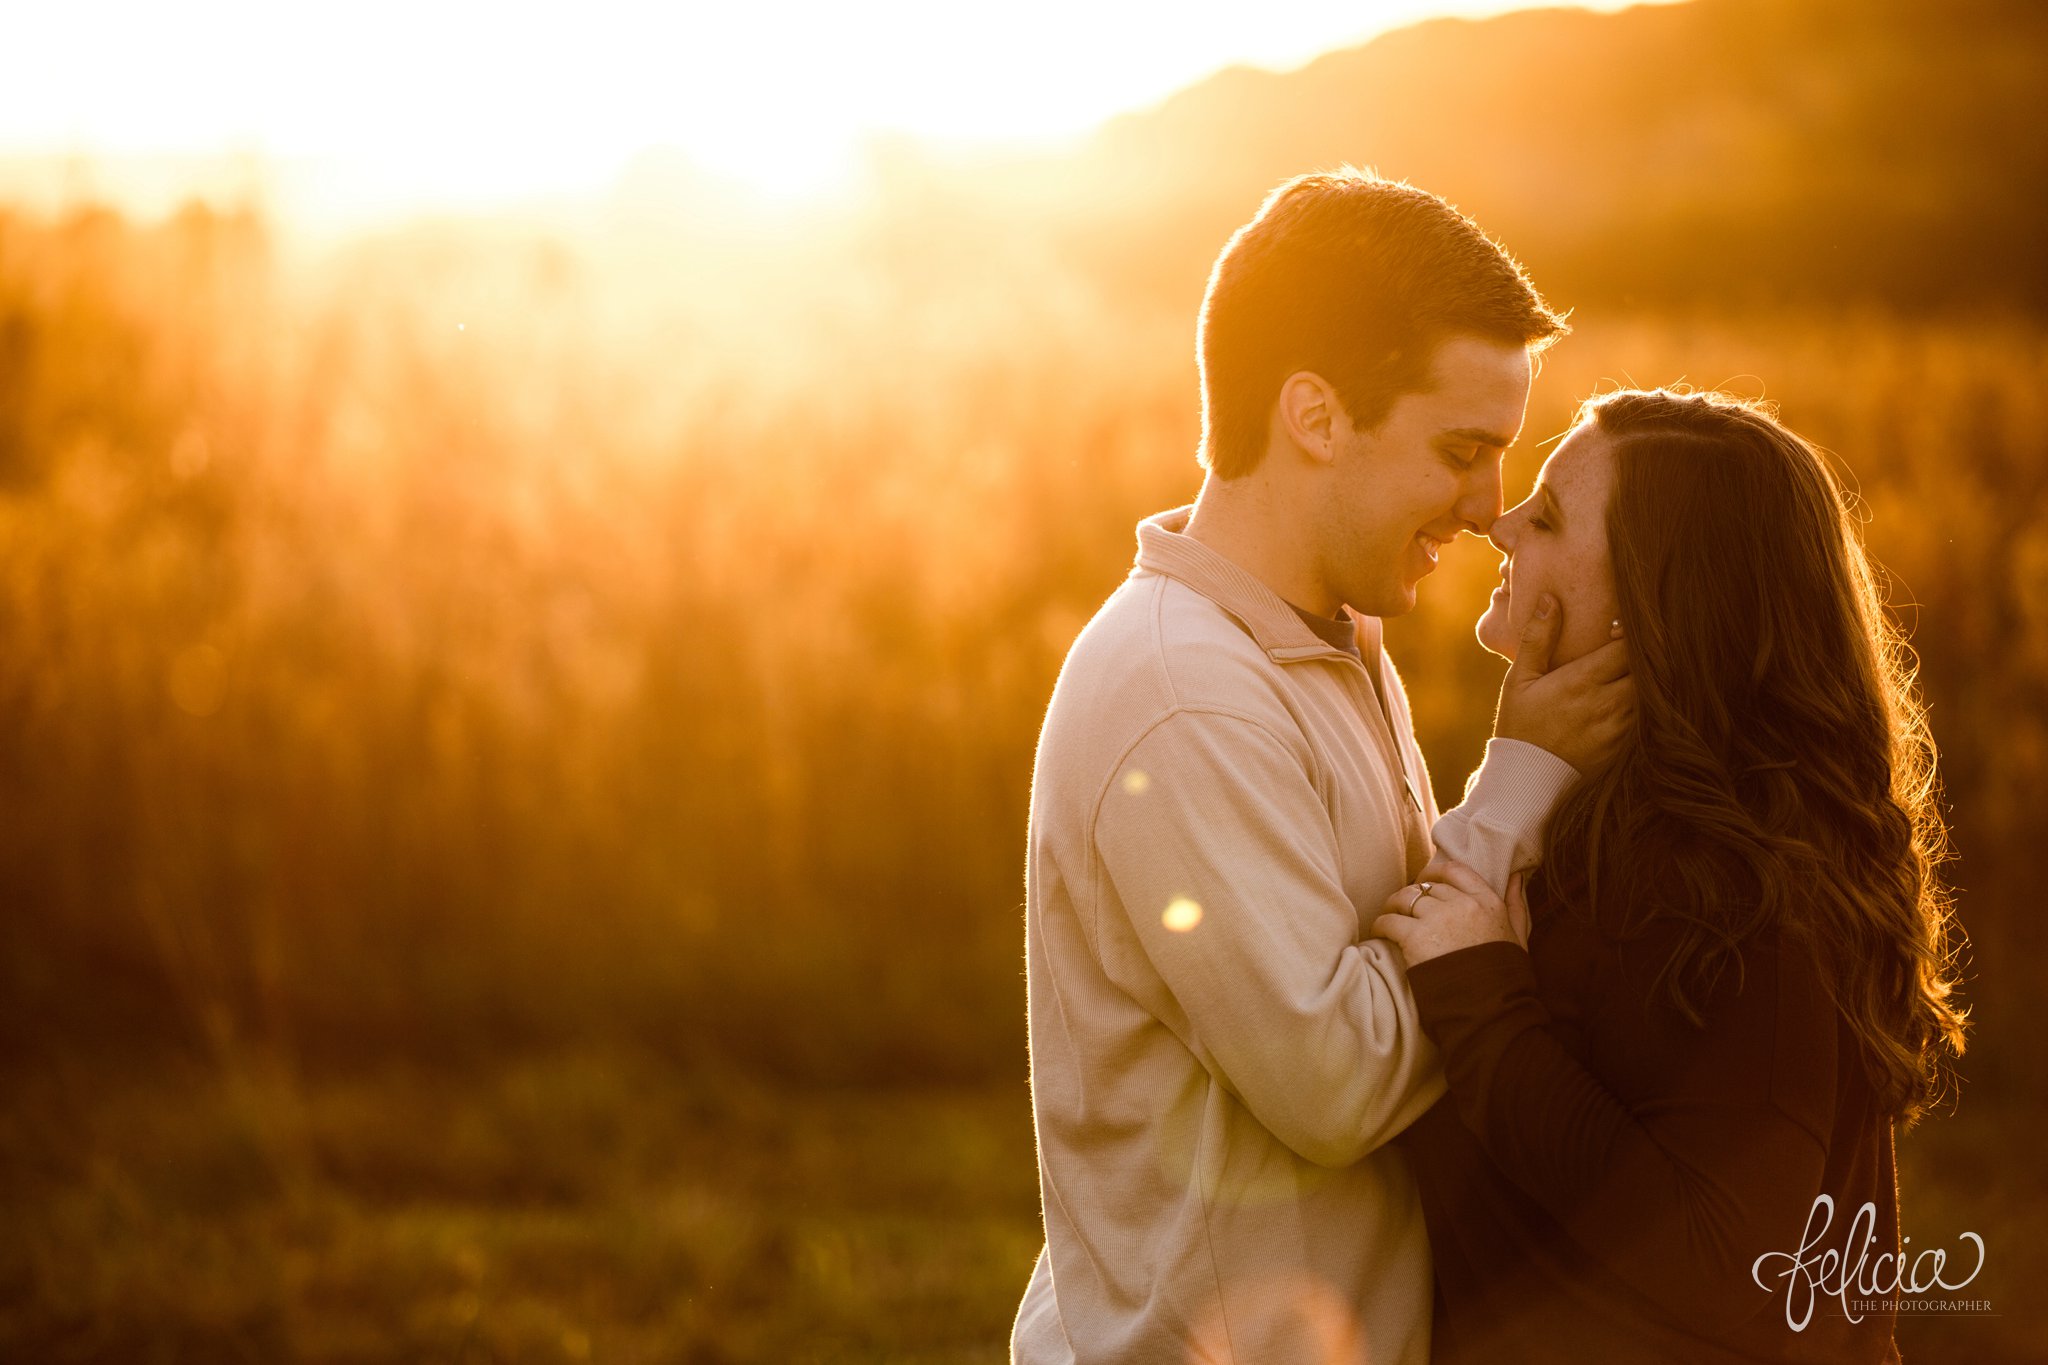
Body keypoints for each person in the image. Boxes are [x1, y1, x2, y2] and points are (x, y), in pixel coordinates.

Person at [1011, 169, 1634, 1364]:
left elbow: (1387, 934)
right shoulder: (1180, 693)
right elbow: (1335, 1085)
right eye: (1460, 449)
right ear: (1313, 416)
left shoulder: (1331, 638)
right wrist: (1518, 787)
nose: (1488, 508)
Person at [1371, 389, 1970, 1363]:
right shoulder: (1611, 829)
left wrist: (1479, 996)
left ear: (1651, 602)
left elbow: (1724, 1259)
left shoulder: (1731, 891)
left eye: (1552, 516)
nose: (1499, 521)